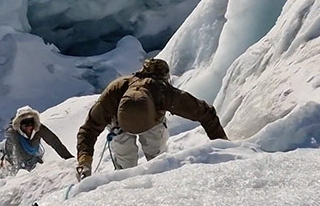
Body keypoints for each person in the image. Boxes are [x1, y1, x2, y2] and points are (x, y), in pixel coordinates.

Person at [75, 58, 227, 180]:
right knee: (157, 160)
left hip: (119, 124)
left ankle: (125, 183)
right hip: (151, 121)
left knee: (125, 167)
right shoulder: (164, 93)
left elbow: (89, 129)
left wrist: (85, 161)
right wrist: (224, 145)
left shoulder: (116, 90)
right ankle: (160, 178)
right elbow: (205, 113)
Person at [0, 105, 72, 174]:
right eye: (25, 124)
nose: (28, 128)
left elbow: (55, 143)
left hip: (34, 158)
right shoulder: (13, 134)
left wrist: (69, 159)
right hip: (12, 162)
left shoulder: (38, 129)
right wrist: (21, 174)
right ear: (19, 124)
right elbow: (16, 156)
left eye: (30, 124)